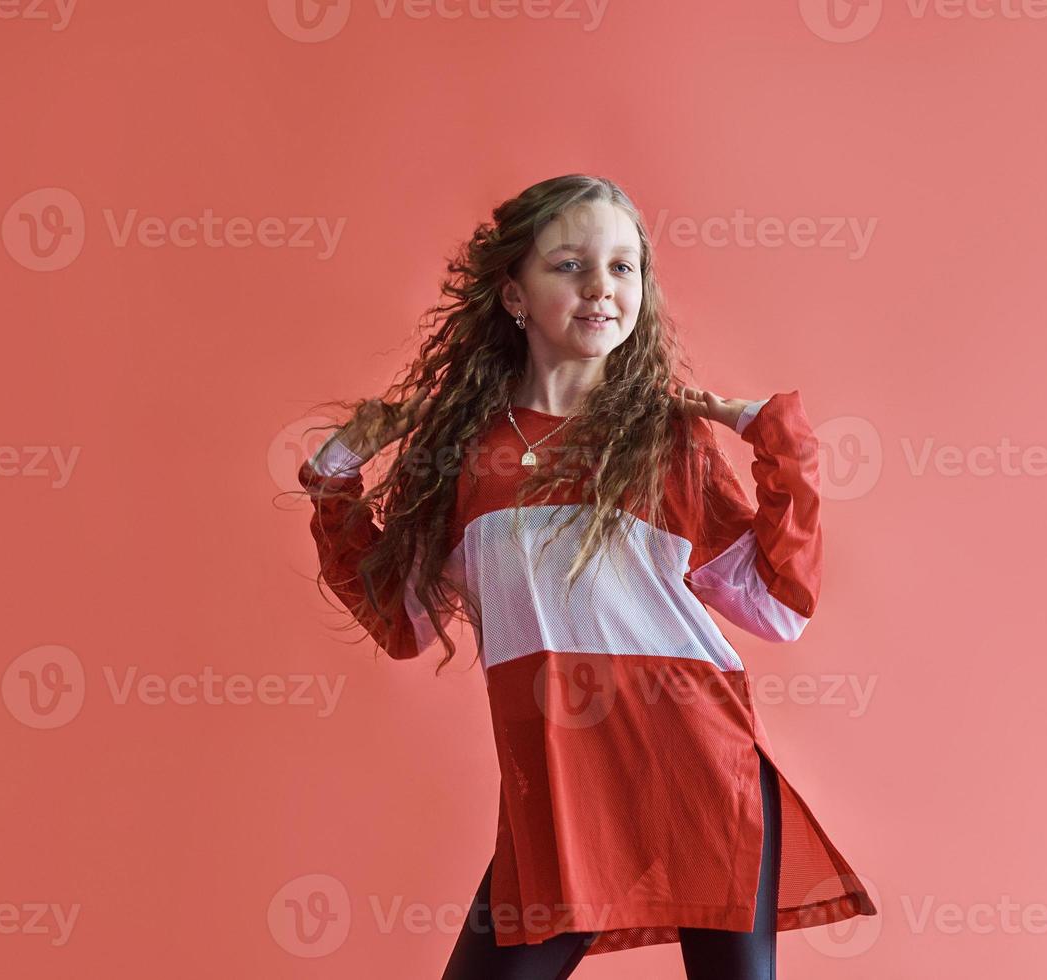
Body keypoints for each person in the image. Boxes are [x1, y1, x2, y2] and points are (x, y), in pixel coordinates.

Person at [294, 174, 875, 979]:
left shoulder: (669, 444)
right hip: (561, 801)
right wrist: (334, 478)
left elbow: (778, 610)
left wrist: (781, 445)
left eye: (623, 267)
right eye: (569, 265)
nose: (602, 287)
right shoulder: (462, 457)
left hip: (699, 774)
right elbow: (404, 621)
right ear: (513, 294)